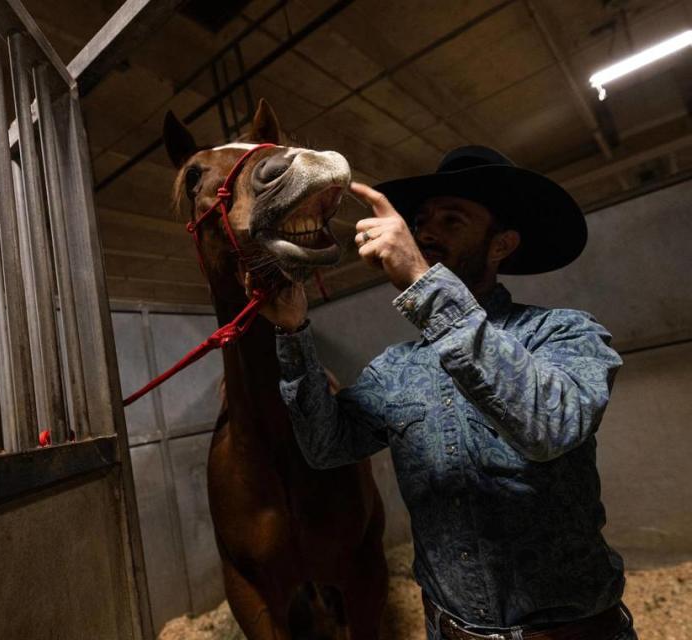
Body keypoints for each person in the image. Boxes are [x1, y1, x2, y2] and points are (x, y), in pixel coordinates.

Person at [261, 146, 637, 640]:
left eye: (452, 220)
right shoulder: (397, 366)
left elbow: (548, 425)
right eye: (421, 220)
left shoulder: (564, 333)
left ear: (501, 245)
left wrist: (421, 279)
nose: (427, 231)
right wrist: (293, 332)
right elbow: (327, 447)